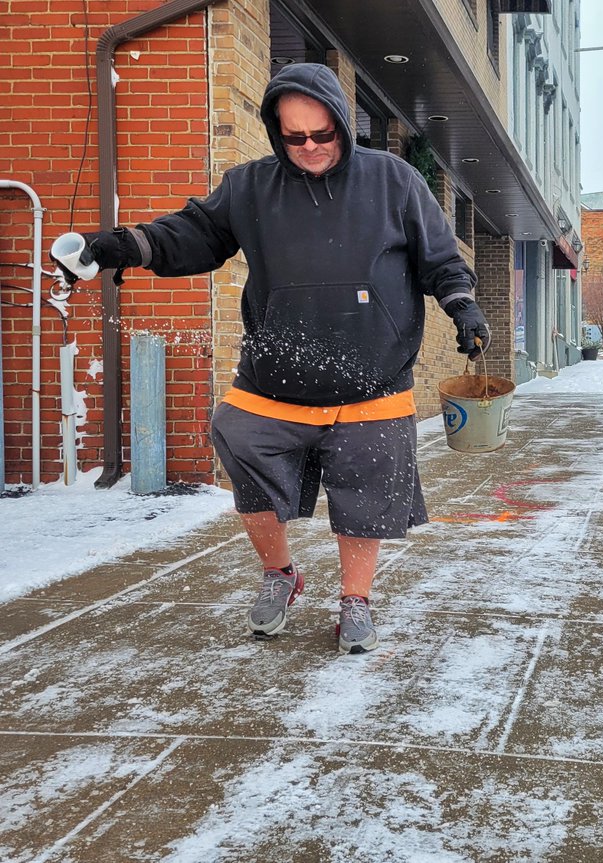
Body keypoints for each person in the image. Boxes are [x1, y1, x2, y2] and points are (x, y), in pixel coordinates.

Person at [54, 63, 490, 654]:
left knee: (366, 487)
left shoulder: (395, 181)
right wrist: (123, 246)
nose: (310, 147)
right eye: (294, 137)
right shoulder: (250, 186)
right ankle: (281, 575)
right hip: (276, 372)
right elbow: (193, 234)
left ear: (340, 121)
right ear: (276, 132)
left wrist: (464, 310)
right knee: (240, 441)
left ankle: (355, 599)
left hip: (373, 376)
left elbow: (441, 260)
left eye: (322, 134)